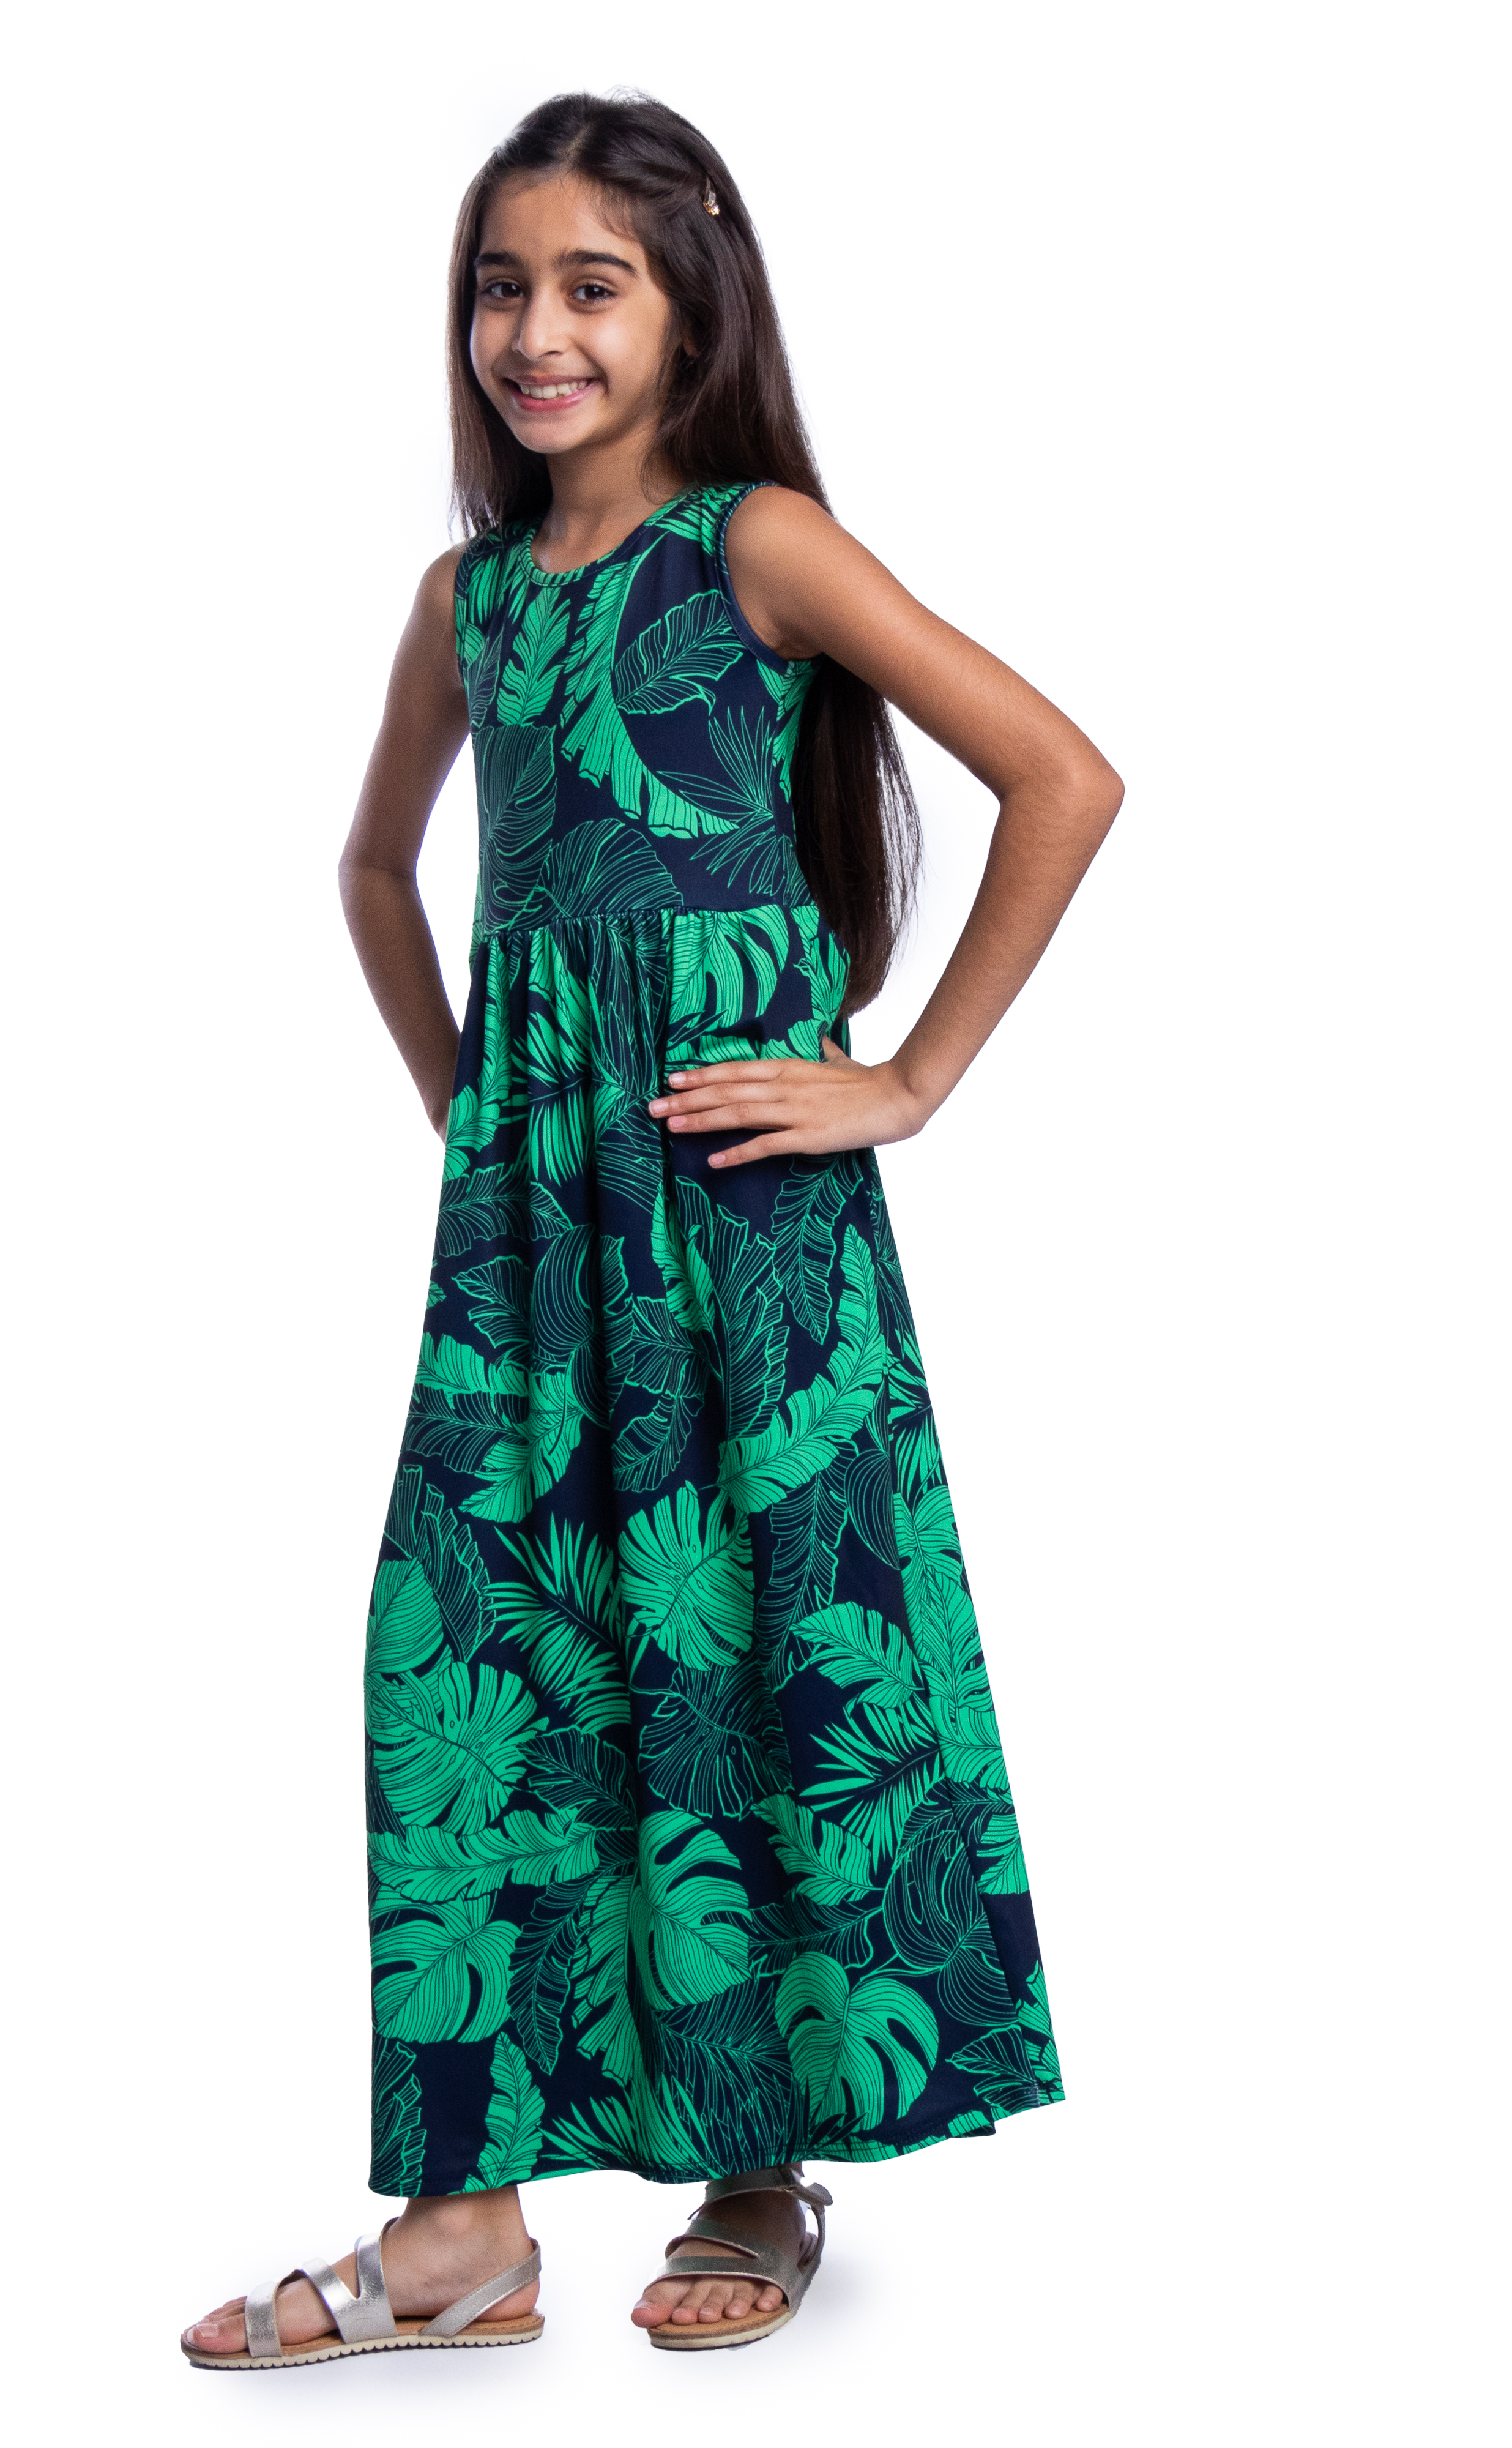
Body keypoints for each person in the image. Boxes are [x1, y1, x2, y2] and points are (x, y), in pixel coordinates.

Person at [182, 89, 1121, 2370]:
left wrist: (905, 1079)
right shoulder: (471, 605)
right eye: (500, 287)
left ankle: (753, 2166)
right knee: (464, 1654)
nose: (537, 332)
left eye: (591, 284)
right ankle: (462, 2232)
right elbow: (373, 869)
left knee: (744, 1651)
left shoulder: (757, 548)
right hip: (532, 1243)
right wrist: (475, 1105)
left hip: (743, 1228)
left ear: (690, 306)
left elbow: (1064, 776)